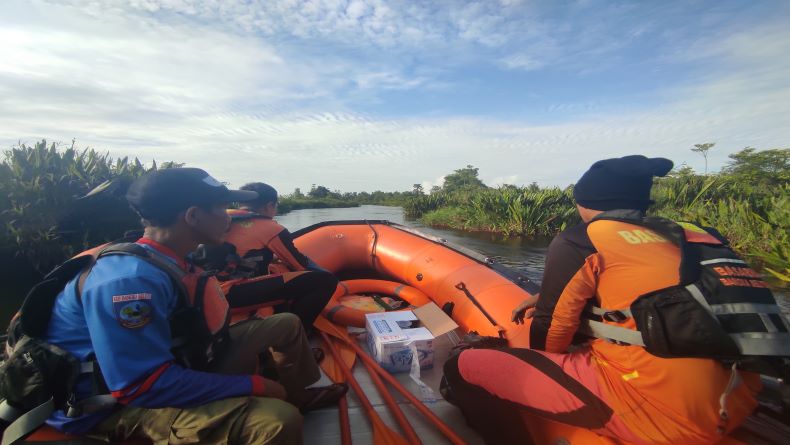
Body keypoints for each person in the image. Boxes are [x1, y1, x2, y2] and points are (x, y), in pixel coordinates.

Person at [442, 155, 762, 445]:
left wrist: (534, 360)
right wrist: (548, 296)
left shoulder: (582, 239)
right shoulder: (700, 235)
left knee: (461, 364)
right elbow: (668, 294)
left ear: (584, 202)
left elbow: (550, 336)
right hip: (739, 402)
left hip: (655, 413)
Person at [43, 168, 346, 444]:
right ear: (192, 216)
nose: (230, 216)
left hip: (179, 359)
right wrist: (255, 384)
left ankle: (296, 395)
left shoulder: (171, 256)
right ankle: (281, 404)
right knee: (277, 421)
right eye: (221, 207)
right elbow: (138, 386)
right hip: (113, 406)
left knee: (286, 324)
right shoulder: (129, 283)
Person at [216, 182, 337, 331]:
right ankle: (297, 331)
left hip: (211, 290)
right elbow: (300, 265)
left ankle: (280, 315)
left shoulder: (222, 218)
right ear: (269, 205)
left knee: (276, 268)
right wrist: (322, 272)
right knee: (326, 281)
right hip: (230, 294)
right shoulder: (270, 228)